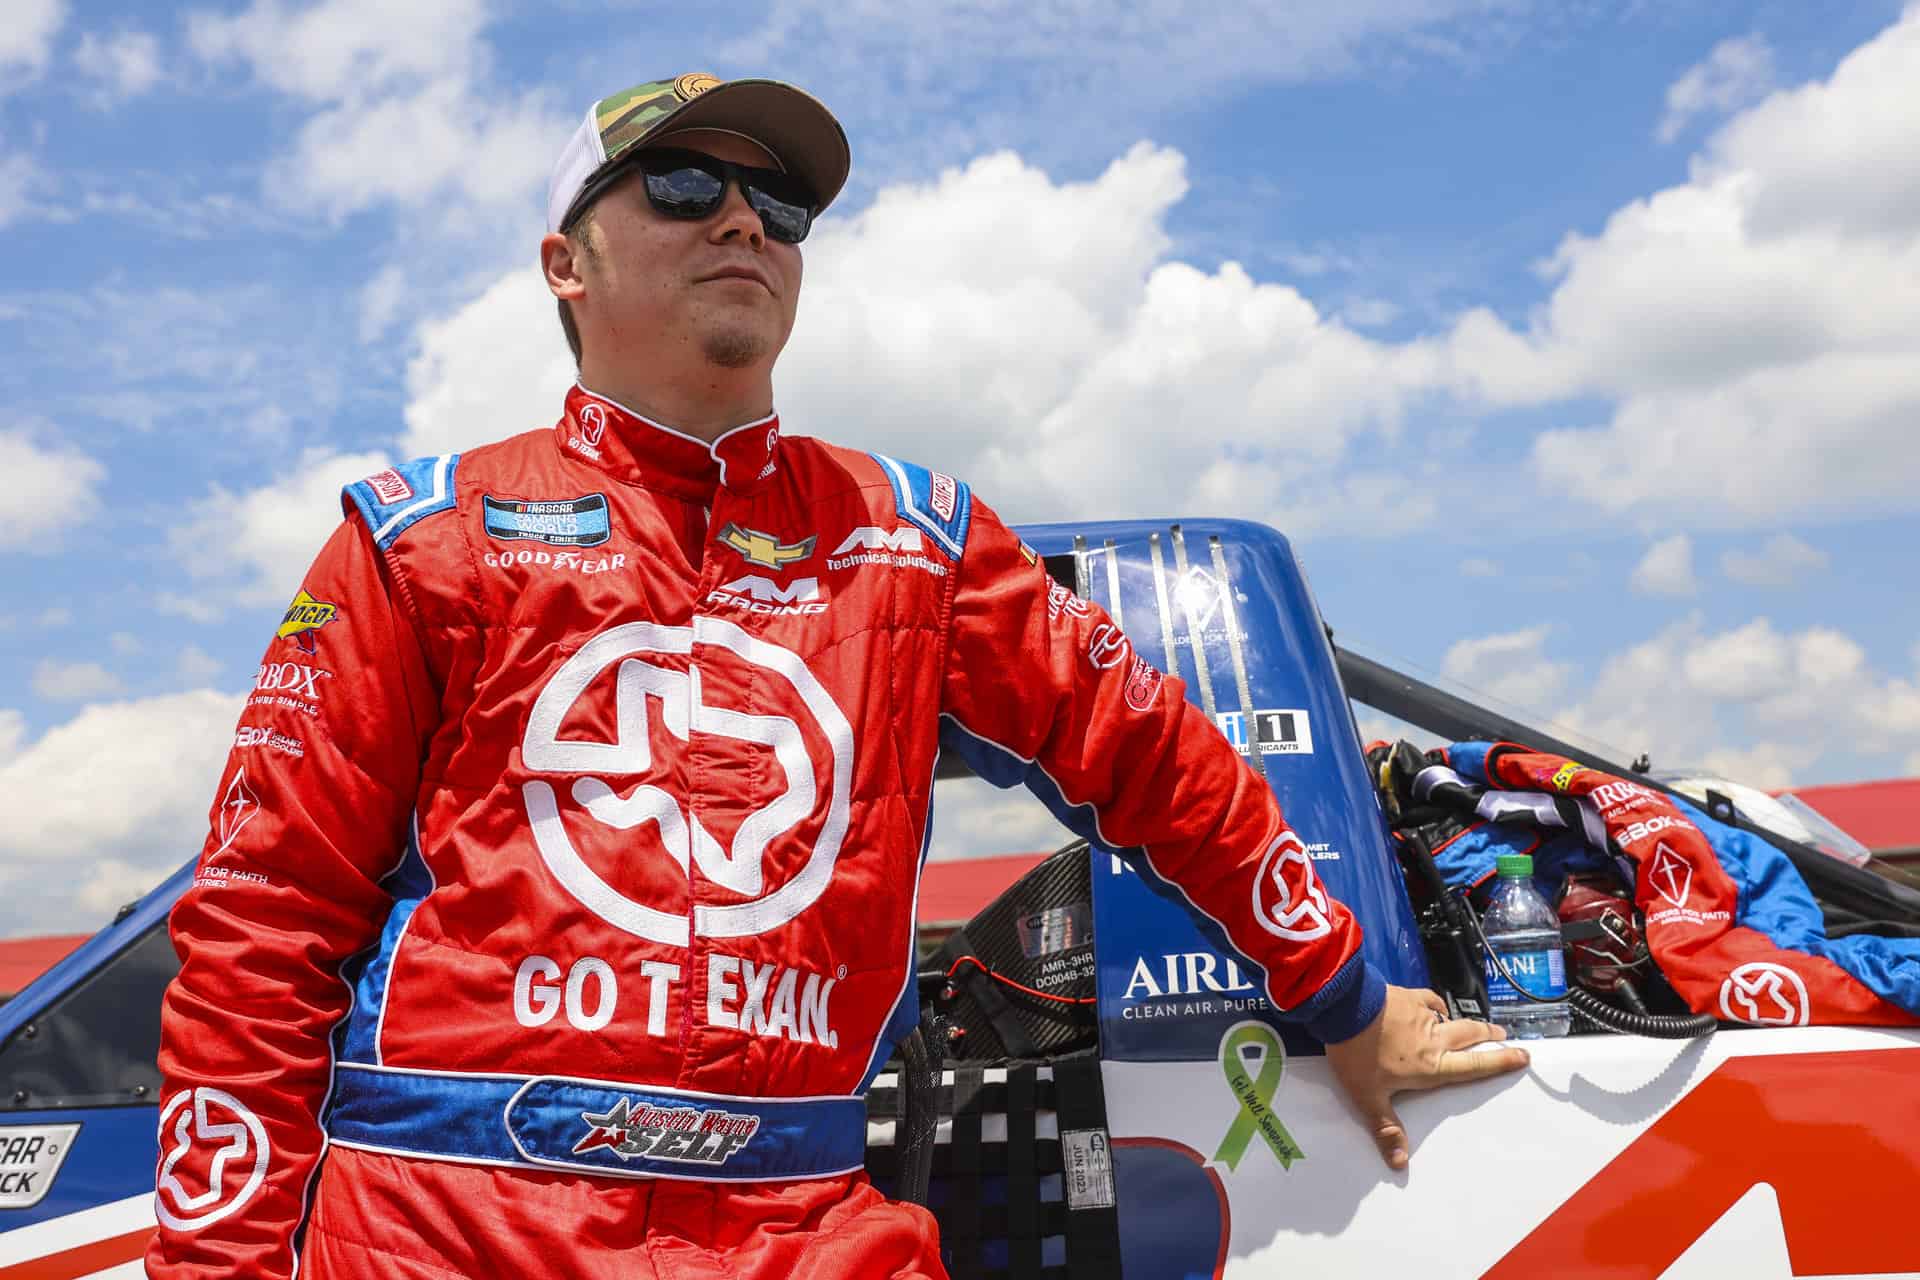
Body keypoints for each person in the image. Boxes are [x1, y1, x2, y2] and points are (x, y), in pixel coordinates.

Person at [148, 73, 1527, 1280]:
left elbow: (1154, 753)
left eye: (780, 207)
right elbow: (260, 936)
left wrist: (1341, 997)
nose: (743, 220)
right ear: (567, 264)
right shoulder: (423, 537)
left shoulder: (910, 541)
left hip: (799, 1229)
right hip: (452, 1232)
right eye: (685, 185)